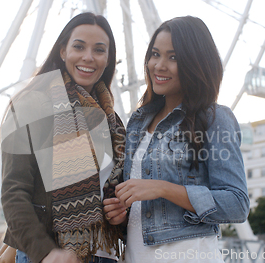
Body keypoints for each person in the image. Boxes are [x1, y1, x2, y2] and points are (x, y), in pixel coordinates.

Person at [103, 16, 250, 262]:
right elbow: (146, 210)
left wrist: (162, 188)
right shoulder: (138, 123)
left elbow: (237, 204)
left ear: (196, 62)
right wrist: (122, 214)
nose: (159, 65)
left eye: (174, 57)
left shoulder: (215, 119)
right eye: (155, 54)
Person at [0, 12, 125, 263]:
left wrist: (121, 213)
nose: (88, 57)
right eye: (79, 46)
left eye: (99, 50)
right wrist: (45, 252)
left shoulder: (113, 122)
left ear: (108, 58)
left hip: (106, 255)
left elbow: (111, 192)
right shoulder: (32, 104)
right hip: (53, 255)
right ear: (63, 51)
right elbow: (14, 192)